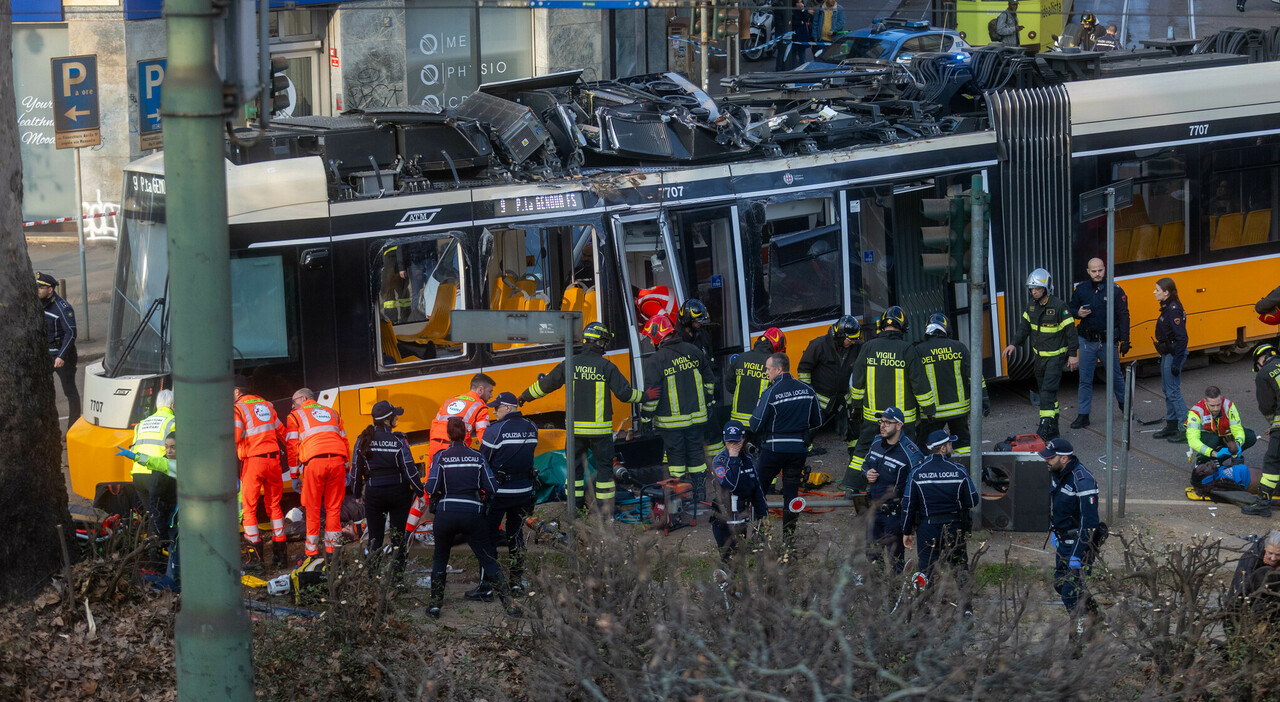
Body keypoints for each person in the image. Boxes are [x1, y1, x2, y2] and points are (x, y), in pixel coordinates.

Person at [521, 322, 642, 517]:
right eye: (604, 342)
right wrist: (645, 396)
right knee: (604, 472)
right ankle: (605, 512)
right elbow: (625, 394)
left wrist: (525, 396)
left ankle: (575, 510)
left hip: (575, 431)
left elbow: (546, 384)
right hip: (600, 432)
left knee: (574, 472)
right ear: (600, 342)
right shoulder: (606, 366)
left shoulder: (570, 363)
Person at [424, 416, 512, 618]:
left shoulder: (441, 456)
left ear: (448, 434)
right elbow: (492, 487)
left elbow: (430, 487)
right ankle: (509, 605)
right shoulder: (477, 456)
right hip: (472, 514)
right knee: (487, 558)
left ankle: (435, 605)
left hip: (445, 513)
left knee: (440, 558)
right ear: (467, 434)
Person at [846, 307, 934, 489]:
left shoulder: (868, 347)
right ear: (903, 327)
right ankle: (906, 488)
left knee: (862, 451)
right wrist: (929, 410)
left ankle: (854, 486)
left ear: (882, 325)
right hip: (901, 420)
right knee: (905, 453)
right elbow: (919, 384)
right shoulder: (907, 349)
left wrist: (856, 407)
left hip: (873, 416)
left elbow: (858, 382)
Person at [749, 352, 823, 539]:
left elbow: (755, 424)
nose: (766, 372)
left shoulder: (771, 392)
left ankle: (759, 536)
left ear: (779, 369)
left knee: (758, 490)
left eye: (768, 369)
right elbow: (818, 421)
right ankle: (788, 538)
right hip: (798, 451)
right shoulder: (807, 390)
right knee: (791, 494)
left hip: (773, 450)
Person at [641, 315, 713, 501]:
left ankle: (680, 497)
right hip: (697, 418)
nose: (651, 342)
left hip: (671, 422)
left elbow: (652, 394)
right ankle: (700, 494)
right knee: (697, 455)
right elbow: (709, 380)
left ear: (658, 334)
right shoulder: (694, 350)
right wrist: (709, 402)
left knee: (676, 459)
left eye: (651, 338)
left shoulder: (656, 360)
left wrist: (646, 418)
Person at [1002, 268, 1079, 441]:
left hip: (1055, 358)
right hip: (1040, 358)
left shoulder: (1059, 306)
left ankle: (1044, 426)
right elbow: (1024, 327)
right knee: (1048, 394)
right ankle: (1054, 428)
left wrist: (1073, 355)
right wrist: (1013, 344)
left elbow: (1071, 332)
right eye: (1032, 289)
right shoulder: (1031, 306)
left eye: (1037, 288)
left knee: (1047, 392)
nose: (1034, 292)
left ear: (1046, 288)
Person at [350, 400, 422, 581]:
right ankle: (397, 579)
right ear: (387, 420)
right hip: (399, 494)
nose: (397, 417)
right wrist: (420, 492)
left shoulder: (362, 439)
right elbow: (410, 469)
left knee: (375, 538)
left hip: (374, 493)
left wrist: (357, 493)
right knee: (398, 538)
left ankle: (372, 578)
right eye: (395, 415)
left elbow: (355, 470)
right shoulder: (398, 440)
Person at [478, 392, 538, 596]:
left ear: (508, 408)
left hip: (498, 492)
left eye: (497, 408)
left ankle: (488, 585)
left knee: (488, 537)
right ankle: (516, 582)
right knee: (516, 536)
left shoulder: (495, 430)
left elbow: (483, 461)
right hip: (524, 492)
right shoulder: (532, 427)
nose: (494, 412)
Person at [901, 430, 978, 582]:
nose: (951, 447)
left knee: (926, 570)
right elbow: (972, 500)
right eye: (949, 444)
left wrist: (906, 531)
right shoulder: (959, 470)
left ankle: (926, 596)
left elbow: (908, 504)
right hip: (955, 527)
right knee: (959, 567)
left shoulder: (917, 472)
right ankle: (964, 597)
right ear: (943, 448)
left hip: (927, 528)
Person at [913, 313, 988, 458]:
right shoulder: (959, 347)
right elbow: (975, 375)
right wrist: (984, 399)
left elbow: (915, 380)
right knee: (963, 444)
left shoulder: (919, 350)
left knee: (927, 446)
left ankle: (932, 468)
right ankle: (965, 467)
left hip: (932, 412)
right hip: (959, 410)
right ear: (946, 329)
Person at [286, 388, 350, 558]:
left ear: (303, 398)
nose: (292, 406)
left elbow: (292, 447)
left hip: (314, 464)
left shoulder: (295, 416)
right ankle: (333, 553)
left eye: (294, 401)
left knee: (312, 509)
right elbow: (344, 440)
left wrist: (294, 475)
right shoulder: (332, 413)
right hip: (337, 462)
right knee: (334, 509)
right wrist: (347, 467)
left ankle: (312, 553)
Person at [1040, 438, 1101, 618]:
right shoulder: (1058, 473)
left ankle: (1079, 630)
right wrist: (1055, 530)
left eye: (1050, 457)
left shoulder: (1083, 480)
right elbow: (1060, 507)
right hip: (1063, 542)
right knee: (1061, 585)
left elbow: (1089, 522)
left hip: (1079, 545)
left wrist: (1077, 554)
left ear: (1064, 458)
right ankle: (1095, 617)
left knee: (1070, 593)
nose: (1046, 460)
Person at [234, 375, 289, 572]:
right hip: (273, 461)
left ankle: (255, 559)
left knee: (249, 508)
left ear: (237, 391)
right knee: (274, 506)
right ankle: (280, 556)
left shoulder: (238, 408)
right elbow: (282, 432)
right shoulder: (267, 405)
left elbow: (235, 436)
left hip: (253, 462)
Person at [1068, 258, 1131, 429]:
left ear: (1105, 269)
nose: (1097, 274)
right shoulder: (1081, 290)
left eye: (1100, 270)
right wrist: (1077, 313)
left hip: (1108, 341)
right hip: (1087, 341)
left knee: (1116, 377)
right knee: (1085, 380)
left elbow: (1124, 315)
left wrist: (1125, 340)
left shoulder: (1115, 290)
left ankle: (1126, 408)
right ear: (1088, 271)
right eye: (1094, 271)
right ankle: (1083, 415)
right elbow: (1070, 309)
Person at [861, 407, 925, 572]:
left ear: (899, 425)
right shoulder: (876, 442)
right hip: (873, 510)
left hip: (895, 515)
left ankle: (896, 587)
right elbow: (865, 464)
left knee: (895, 559)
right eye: (881, 421)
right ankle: (877, 586)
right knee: (871, 554)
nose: (882, 426)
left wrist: (911, 522)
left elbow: (917, 487)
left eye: (888, 423)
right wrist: (867, 472)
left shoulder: (911, 453)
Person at [708, 421, 769, 561]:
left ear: (743, 439)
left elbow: (757, 490)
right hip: (723, 519)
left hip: (741, 517)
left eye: (737, 441)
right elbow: (730, 485)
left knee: (740, 557)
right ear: (725, 441)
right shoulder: (719, 461)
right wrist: (733, 459)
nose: (733, 445)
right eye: (730, 442)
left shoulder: (748, 460)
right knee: (729, 559)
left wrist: (763, 516)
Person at [799, 316, 862, 449]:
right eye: (850, 339)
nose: (853, 342)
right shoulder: (819, 345)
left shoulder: (856, 348)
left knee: (853, 430)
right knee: (809, 430)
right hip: (820, 399)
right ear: (840, 335)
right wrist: (808, 394)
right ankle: (803, 453)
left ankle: (855, 454)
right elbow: (804, 368)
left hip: (843, 398)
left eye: (855, 339)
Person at [128, 388, 177, 545]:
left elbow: (133, 449)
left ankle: (152, 553)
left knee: (152, 516)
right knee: (164, 516)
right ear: (173, 405)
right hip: (156, 475)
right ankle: (161, 552)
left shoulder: (142, 423)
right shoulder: (173, 422)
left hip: (138, 475)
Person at [679, 300, 726, 463]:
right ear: (687, 320)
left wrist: (712, 389)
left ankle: (718, 464)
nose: (700, 324)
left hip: (705, 395)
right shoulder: (677, 340)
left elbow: (710, 362)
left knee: (714, 432)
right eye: (697, 321)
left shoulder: (702, 335)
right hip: (687, 398)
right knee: (691, 436)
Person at [37, 272, 79, 432]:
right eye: (37, 286)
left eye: (41, 287)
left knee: (70, 391)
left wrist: (61, 356)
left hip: (63, 356)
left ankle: (73, 429)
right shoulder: (38, 304)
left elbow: (71, 333)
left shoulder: (62, 307)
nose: (38, 290)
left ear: (50, 290)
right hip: (47, 355)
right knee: (42, 390)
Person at [427, 373, 495, 467]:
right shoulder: (480, 406)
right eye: (490, 391)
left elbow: (435, 424)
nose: (491, 395)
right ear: (480, 390)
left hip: (434, 446)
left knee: (432, 475)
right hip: (455, 449)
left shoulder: (450, 400)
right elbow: (484, 437)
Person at [1243, 344, 1280, 517]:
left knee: (1272, 460)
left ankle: (1263, 502)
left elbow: (1266, 406)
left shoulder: (1264, 373)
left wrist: (1273, 426)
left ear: (1261, 359)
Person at [1151, 277, 1189, 441]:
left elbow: (1182, 337)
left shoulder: (1173, 310)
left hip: (1174, 354)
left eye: (1157, 290)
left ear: (1166, 292)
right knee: (1167, 390)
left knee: (1173, 391)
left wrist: (1176, 361)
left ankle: (1185, 428)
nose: (1154, 292)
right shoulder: (1168, 307)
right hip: (1168, 353)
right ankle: (1172, 424)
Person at [729, 327, 786, 426]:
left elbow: (729, 384)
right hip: (759, 422)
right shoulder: (774, 364)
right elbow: (779, 391)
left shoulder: (741, 358)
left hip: (738, 422)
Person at [1186, 386, 1257, 465]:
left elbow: (1237, 428)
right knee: (1213, 439)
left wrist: (1237, 444)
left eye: (1218, 405)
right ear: (1205, 402)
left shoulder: (1229, 406)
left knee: (1250, 436)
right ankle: (1201, 460)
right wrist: (1213, 453)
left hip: (1223, 434)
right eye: (1212, 406)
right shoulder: (1196, 412)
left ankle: (1219, 459)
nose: (1216, 409)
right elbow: (1193, 440)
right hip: (1207, 437)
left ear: (1221, 399)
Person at [1228, 531, 1280, 619]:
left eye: (1278, 555)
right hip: (1253, 595)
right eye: (1270, 553)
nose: (1273, 558)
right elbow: (1240, 588)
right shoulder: (1251, 559)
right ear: (1265, 548)